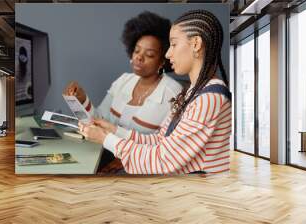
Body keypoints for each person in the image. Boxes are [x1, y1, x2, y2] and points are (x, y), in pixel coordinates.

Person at [79, 10, 232, 175]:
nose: (168, 54)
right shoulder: (192, 93)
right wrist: (112, 130)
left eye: (173, 44)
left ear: (195, 43)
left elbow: (164, 159)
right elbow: (159, 140)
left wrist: (105, 139)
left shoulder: (210, 98)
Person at [64, 11, 182, 172]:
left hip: (141, 167)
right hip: (103, 153)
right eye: (137, 51)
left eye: (149, 54)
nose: (139, 58)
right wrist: (82, 99)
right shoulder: (123, 80)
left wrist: (126, 158)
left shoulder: (173, 93)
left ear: (162, 61)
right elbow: (100, 120)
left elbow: (166, 147)